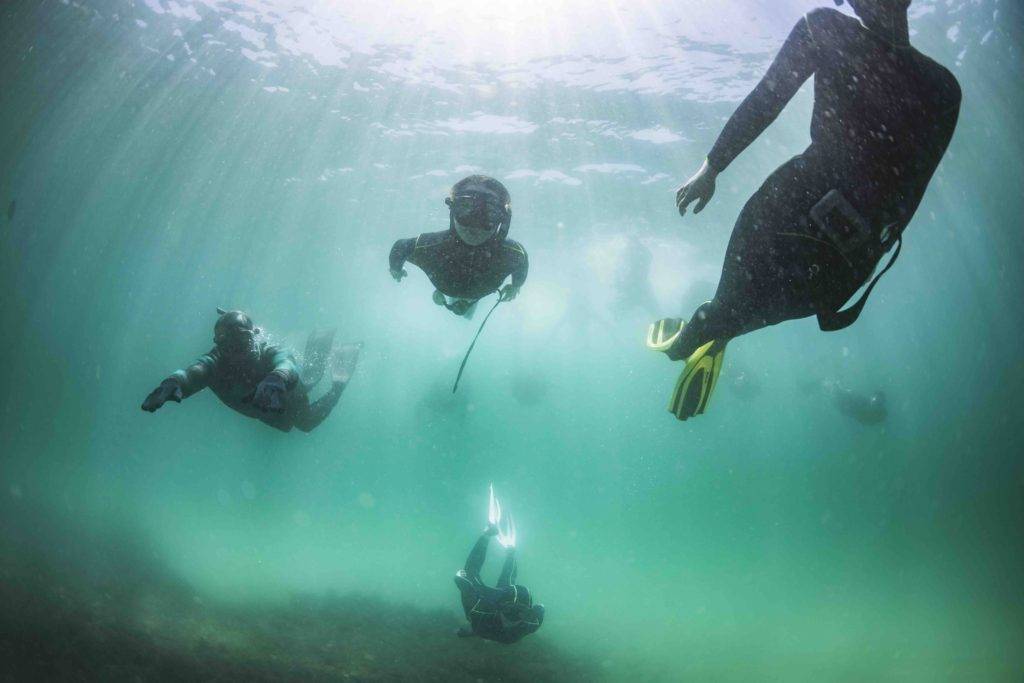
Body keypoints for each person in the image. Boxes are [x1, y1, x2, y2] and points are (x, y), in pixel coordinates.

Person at [648, 0, 961, 421]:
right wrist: (862, 268)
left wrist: (713, 167)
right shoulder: (942, 87)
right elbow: (908, 199)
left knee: (729, 307)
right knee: (740, 312)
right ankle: (717, 330)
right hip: (844, 254)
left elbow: (768, 97)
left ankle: (705, 330)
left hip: (787, 209)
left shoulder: (828, 28)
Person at [140, 309, 361, 433]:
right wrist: (175, 382)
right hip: (269, 416)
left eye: (241, 341)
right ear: (219, 343)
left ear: (253, 337)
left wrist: (278, 378)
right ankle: (321, 371)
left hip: (287, 396)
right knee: (291, 424)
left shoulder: (266, 350)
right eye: (227, 344)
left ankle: (338, 386)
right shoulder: (215, 362)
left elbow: (285, 362)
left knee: (305, 421)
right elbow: (194, 372)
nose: (235, 351)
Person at [389, 175, 528, 318]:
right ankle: (453, 295)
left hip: (450, 285)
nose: (475, 224)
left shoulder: (431, 246)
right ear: (452, 210)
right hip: (473, 288)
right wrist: (515, 285)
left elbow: (400, 248)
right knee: (466, 304)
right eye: (465, 208)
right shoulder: (512, 254)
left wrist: (396, 270)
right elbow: (400, 247)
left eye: (488, 213)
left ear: (503, 219)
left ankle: (451, 295)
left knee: (465, 309)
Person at [454, 487, 544, 644]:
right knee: (472, 573)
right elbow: (466, 586)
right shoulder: (479, 615)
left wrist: (535, 611)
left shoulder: (520, 628)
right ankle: (491, 536)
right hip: (505, 602)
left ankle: (509, 549)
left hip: (515, 598)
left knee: (506, 580)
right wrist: (459, 579)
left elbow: (540, 610)